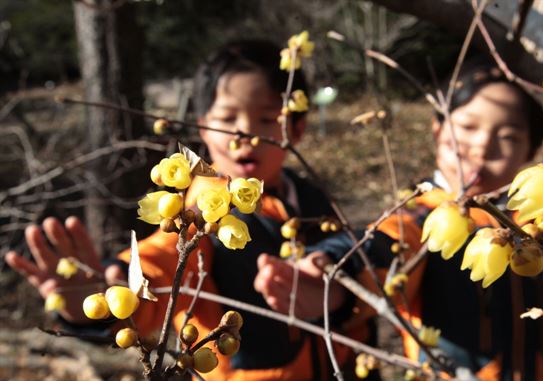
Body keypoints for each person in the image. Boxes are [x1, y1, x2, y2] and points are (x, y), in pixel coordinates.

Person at [4, 39, 371, 381]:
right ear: (202, 126)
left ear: (297, 126)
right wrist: (109, 287)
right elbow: (159, 263)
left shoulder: (312, 198)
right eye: (227, 119)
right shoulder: (193, 214)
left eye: (265, 119)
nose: (244, 133)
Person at [257, 62, 543, 381]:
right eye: (467, 126)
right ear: (437, 128)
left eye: (508, 136)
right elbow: (385, 246)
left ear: (532, 151)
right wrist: (335, 273)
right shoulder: (424, 216)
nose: (482, 145)